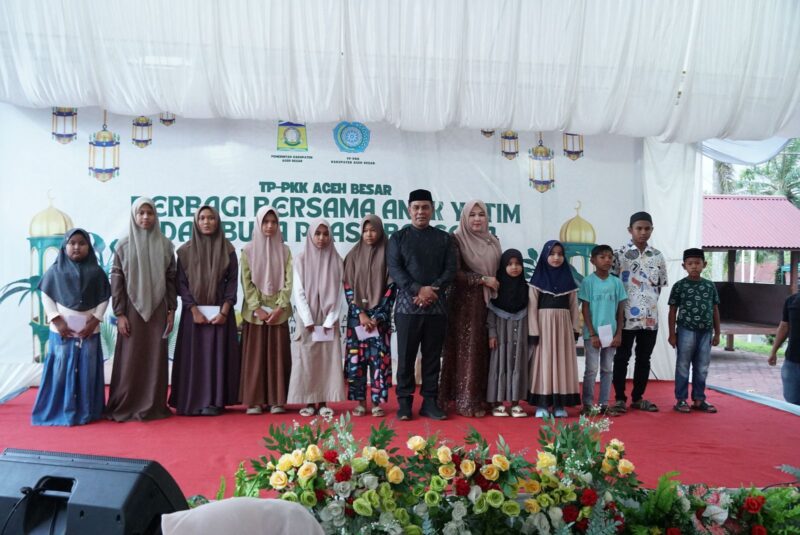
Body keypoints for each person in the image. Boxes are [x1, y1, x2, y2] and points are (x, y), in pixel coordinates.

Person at [387, 189, 456, 421]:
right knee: (405, 358)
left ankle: (429, 402)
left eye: (425, 207)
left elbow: (450, 269)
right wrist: (418, 289)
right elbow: (396, 270)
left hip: (436, 308)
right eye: (416, 207)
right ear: (408, 209)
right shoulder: (398, 238)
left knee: (432, 357)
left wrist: (432, 289)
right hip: (407, 307)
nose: (420, 212)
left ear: (432, 209)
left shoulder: (444, 238)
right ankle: (404, 404)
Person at [106, 197, 177, 422]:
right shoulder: (123, 245)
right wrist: (119, 314)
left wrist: (171, 310)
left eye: (150, 213)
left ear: (156, 217)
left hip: (158, 309)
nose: (146, 217)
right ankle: (126, 404)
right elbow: (116, 282)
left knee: (155, 358)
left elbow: (171, 280)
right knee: (130, 358)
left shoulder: (166, 245)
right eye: (141, 213)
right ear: (134, 216)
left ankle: (153, 405)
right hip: (130, 310)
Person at [31, 228, 110, 426]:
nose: (76, 247)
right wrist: (56, 320)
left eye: (82, 243)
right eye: (72, 243)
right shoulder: (55, 271)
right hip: (62, 331)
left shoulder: (97, 272)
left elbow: (104, 297)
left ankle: (87, 411)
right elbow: (46, 295)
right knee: (60, 369)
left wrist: (95, 320)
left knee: (88, 370)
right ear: (64, 246)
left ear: (88, 247)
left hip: (90, 330)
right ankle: (58, 410)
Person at [169, 206, 241, 416]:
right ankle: (192, 400)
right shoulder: (184, 251)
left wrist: (225, 311)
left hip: (220, 315)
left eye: (211, 218)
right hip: (194, 316)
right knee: (196, 357)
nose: (207, 222)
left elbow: (232, 283)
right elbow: (181, 284)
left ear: (217, 221)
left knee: (216, 357)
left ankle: (215, 401)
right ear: (196, 222)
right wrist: (193, 310)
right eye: (202, 218)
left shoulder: (228, 250)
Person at [439, 200, 502, 417]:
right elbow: (454, 274)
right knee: (468, 351)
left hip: (490, 304)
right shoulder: (455, 239)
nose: (477, 219)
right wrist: (483, 279)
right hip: (465, 304)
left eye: (481, 214)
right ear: (465, 218)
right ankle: (467, 401)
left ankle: (485, 398)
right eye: (472, 215)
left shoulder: (493, 241)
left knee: (487, 351)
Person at [287, 218, 346, 417]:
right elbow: (299, 291)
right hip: (307, 317)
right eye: (317, 233)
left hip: (328, 317)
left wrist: (330, 320)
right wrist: (308, 319)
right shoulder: (300, 259)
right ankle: (309, 401)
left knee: (326, 360)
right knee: (307, 359)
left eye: (325, 233)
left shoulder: (337, 260)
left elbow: (338, 293)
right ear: (311, 235)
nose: (321, 238)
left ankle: (323, 402)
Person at [611, 211, 668, 414]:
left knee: (644, 358)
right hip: (625, 317)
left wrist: (648, 305)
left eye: (647, 229)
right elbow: (612, 285)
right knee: (622, 357)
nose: (643, 232)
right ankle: (619, 398)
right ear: (630, 230)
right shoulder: (618, 255)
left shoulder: (658, 256)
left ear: (652, 230)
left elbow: (659, 287)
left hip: (650, 318)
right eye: (639, 228)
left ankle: (638, 397)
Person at [239, 206, 293, 415]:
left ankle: (277, 400)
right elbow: (246, 282)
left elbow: (289, 282)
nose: (269, 226)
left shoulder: (285, 251)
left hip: (279, 313)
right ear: (258, 224)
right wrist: (257, 308)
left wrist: (280, 307)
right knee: (255, 358)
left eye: (273, 222)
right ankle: (254, 400)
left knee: (277, 356)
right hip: (255, 314)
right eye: (265, 222)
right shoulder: (248, 251)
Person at [342, 215, 396, 417]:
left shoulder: (389, 255)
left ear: (380, 231)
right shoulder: (353, 255)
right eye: (365, 230)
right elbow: (348, 288)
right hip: (358, 320)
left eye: (373, 230)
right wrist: (361, 314)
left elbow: (391, 288)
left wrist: (377, 316)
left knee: (378, 361)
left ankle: (376, 403)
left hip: (378, 322)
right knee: (357, 362)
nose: (369, 234)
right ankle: (359, 402)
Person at [527, 240, 581, 418]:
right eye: (552, 254)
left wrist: (575, 328)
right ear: (545, 255)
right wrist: (533, 331)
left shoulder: (569, 281)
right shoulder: (537, 281)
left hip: (563, 328)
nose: (556, 257)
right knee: (544, 362)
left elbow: (574, 307)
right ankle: (542, 404)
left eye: (560, 254)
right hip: (543, 328)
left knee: (562, 362)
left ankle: (560, 405)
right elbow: (532, 308)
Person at [667, 248, 721, 413]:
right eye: (690, 264)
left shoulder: (709, 286)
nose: (694, 267)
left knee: (702, 366)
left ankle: (699, 399)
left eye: (697, 263)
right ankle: (681, 400)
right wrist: (672, 334)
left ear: (704, 264)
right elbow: (672, 311)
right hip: (685, 331)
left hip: (706, 332)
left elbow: (715, 310)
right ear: (684, 266)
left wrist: (717, 332)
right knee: (683, 365)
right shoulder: (679, 286)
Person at [578, 244, 627, 416]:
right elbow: (585, 309)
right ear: (592, 260)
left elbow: (620, 310)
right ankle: (588, 404)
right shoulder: (588, 282)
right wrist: (591, 333)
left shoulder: (617, 282)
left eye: (609, 257)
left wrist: (619, 333)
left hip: (612, 334)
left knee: (607, 368)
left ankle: (604, 403)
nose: (607, 260)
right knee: (591, 369)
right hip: (592, 334)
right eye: (602, 257)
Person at [486, 249, 531, 418]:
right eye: (510, 264)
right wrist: (492, 333)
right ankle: (498, 403)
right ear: (503, 266)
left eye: (518, 264)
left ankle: (515, 403)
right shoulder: (496, 289)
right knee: (499, 364)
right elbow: (490, 313)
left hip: (520, 334)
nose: (514, 268)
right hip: (500, 333)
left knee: (517, 364)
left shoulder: (526, 289)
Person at [770, 291, 800, 405]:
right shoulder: (791, 301)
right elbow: (784, 326)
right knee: (791, 402)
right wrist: (773, 351)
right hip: (792, 361)